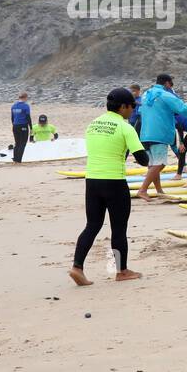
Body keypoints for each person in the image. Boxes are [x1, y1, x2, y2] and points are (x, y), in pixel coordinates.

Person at [69, 88, 149, 286]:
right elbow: (143, 160)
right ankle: (121, 271)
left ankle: (77, 267)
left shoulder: (93, 124)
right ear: (123, 107)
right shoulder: (125, 127)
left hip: (92, 181)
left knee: (92, 225)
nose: (132, 111)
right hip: (114, 182)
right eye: (132, 107)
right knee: (119, 229)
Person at [134, 74, 187, 203]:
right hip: (159, 134)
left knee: (153, 164)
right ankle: (143, 190)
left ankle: (159, 191)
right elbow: (182, 108)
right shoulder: (164, 94)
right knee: (160, 164)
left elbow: (141, 113)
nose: (171, 87)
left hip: (145, 133)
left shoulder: (146, 95)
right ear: (167, 83)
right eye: (171, 84)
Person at [9, 92, 31, 163]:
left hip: (15, 126)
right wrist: (30, 127)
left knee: (17, 143)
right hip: (23, 125)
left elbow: (12, 118)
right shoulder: (26, 106)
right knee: (23, 143)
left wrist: (14, 125)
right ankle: (19, 160)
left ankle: (15, 159)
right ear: (25, 98)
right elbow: (28, 117)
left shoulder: (13, 106)